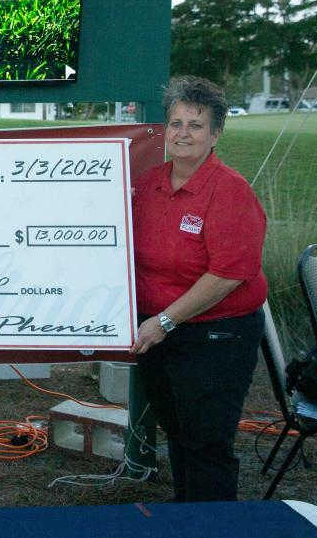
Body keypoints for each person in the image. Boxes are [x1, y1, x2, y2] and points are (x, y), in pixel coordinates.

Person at [131, 75, 267, 502]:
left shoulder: (229, 191)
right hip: (158, 332)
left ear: (215, 134)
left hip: (216, 335)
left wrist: (165, 321)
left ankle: (211, 525)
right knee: (178, 431)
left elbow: (228, 274)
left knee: (207, 442)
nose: (183, 133)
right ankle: (184, 515)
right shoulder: (150, 184)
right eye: (175, 123)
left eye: (195, 124)